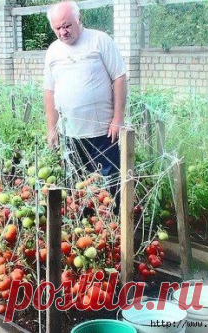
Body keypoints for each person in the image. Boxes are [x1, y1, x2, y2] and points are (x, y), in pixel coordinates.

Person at [43, 1, 127, 200]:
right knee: (77, 187)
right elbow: (49, 91)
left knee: (109, 186)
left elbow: (120, 77)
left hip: (104, 133)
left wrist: (118, 118)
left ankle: (114, 224)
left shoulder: (99, 40)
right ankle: (84, 227)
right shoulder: (53, 51)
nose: (63, 32)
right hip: (71, 135)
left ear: (78, 20)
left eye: (67, 25)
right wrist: (51, 129)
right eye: (58, 28)